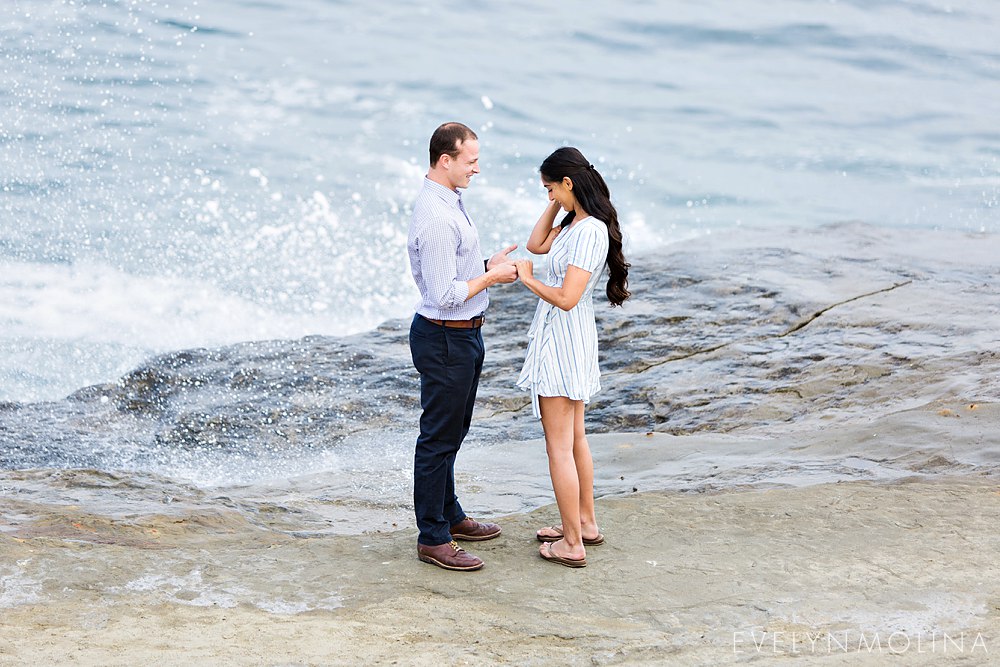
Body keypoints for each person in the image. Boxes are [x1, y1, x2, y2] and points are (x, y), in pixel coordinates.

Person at [407, 122, 518, 571]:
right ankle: (432, 536)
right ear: (445, 160)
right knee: (437, 438)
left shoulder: (450, 200)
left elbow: (455, 272)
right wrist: (492, 277)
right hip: (445, 335)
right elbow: (443, 293)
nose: (477, 168)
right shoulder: (434, 215)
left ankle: (449, 515)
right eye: (470, 161)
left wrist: (488, 263)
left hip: (462, 333)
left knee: (454, 432)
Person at [513, 147, 630, 568]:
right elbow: (535, 244)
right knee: (575, 438)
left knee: (559, 447)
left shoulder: (589, 231)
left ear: (569, 182)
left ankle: (572, 544)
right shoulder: (575, 223)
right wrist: (557, 202)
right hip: (569, 340)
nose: (547, 198)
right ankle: (584, 523)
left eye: (550, 188)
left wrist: (527, 280)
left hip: (563, 342)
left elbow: (566, 297)